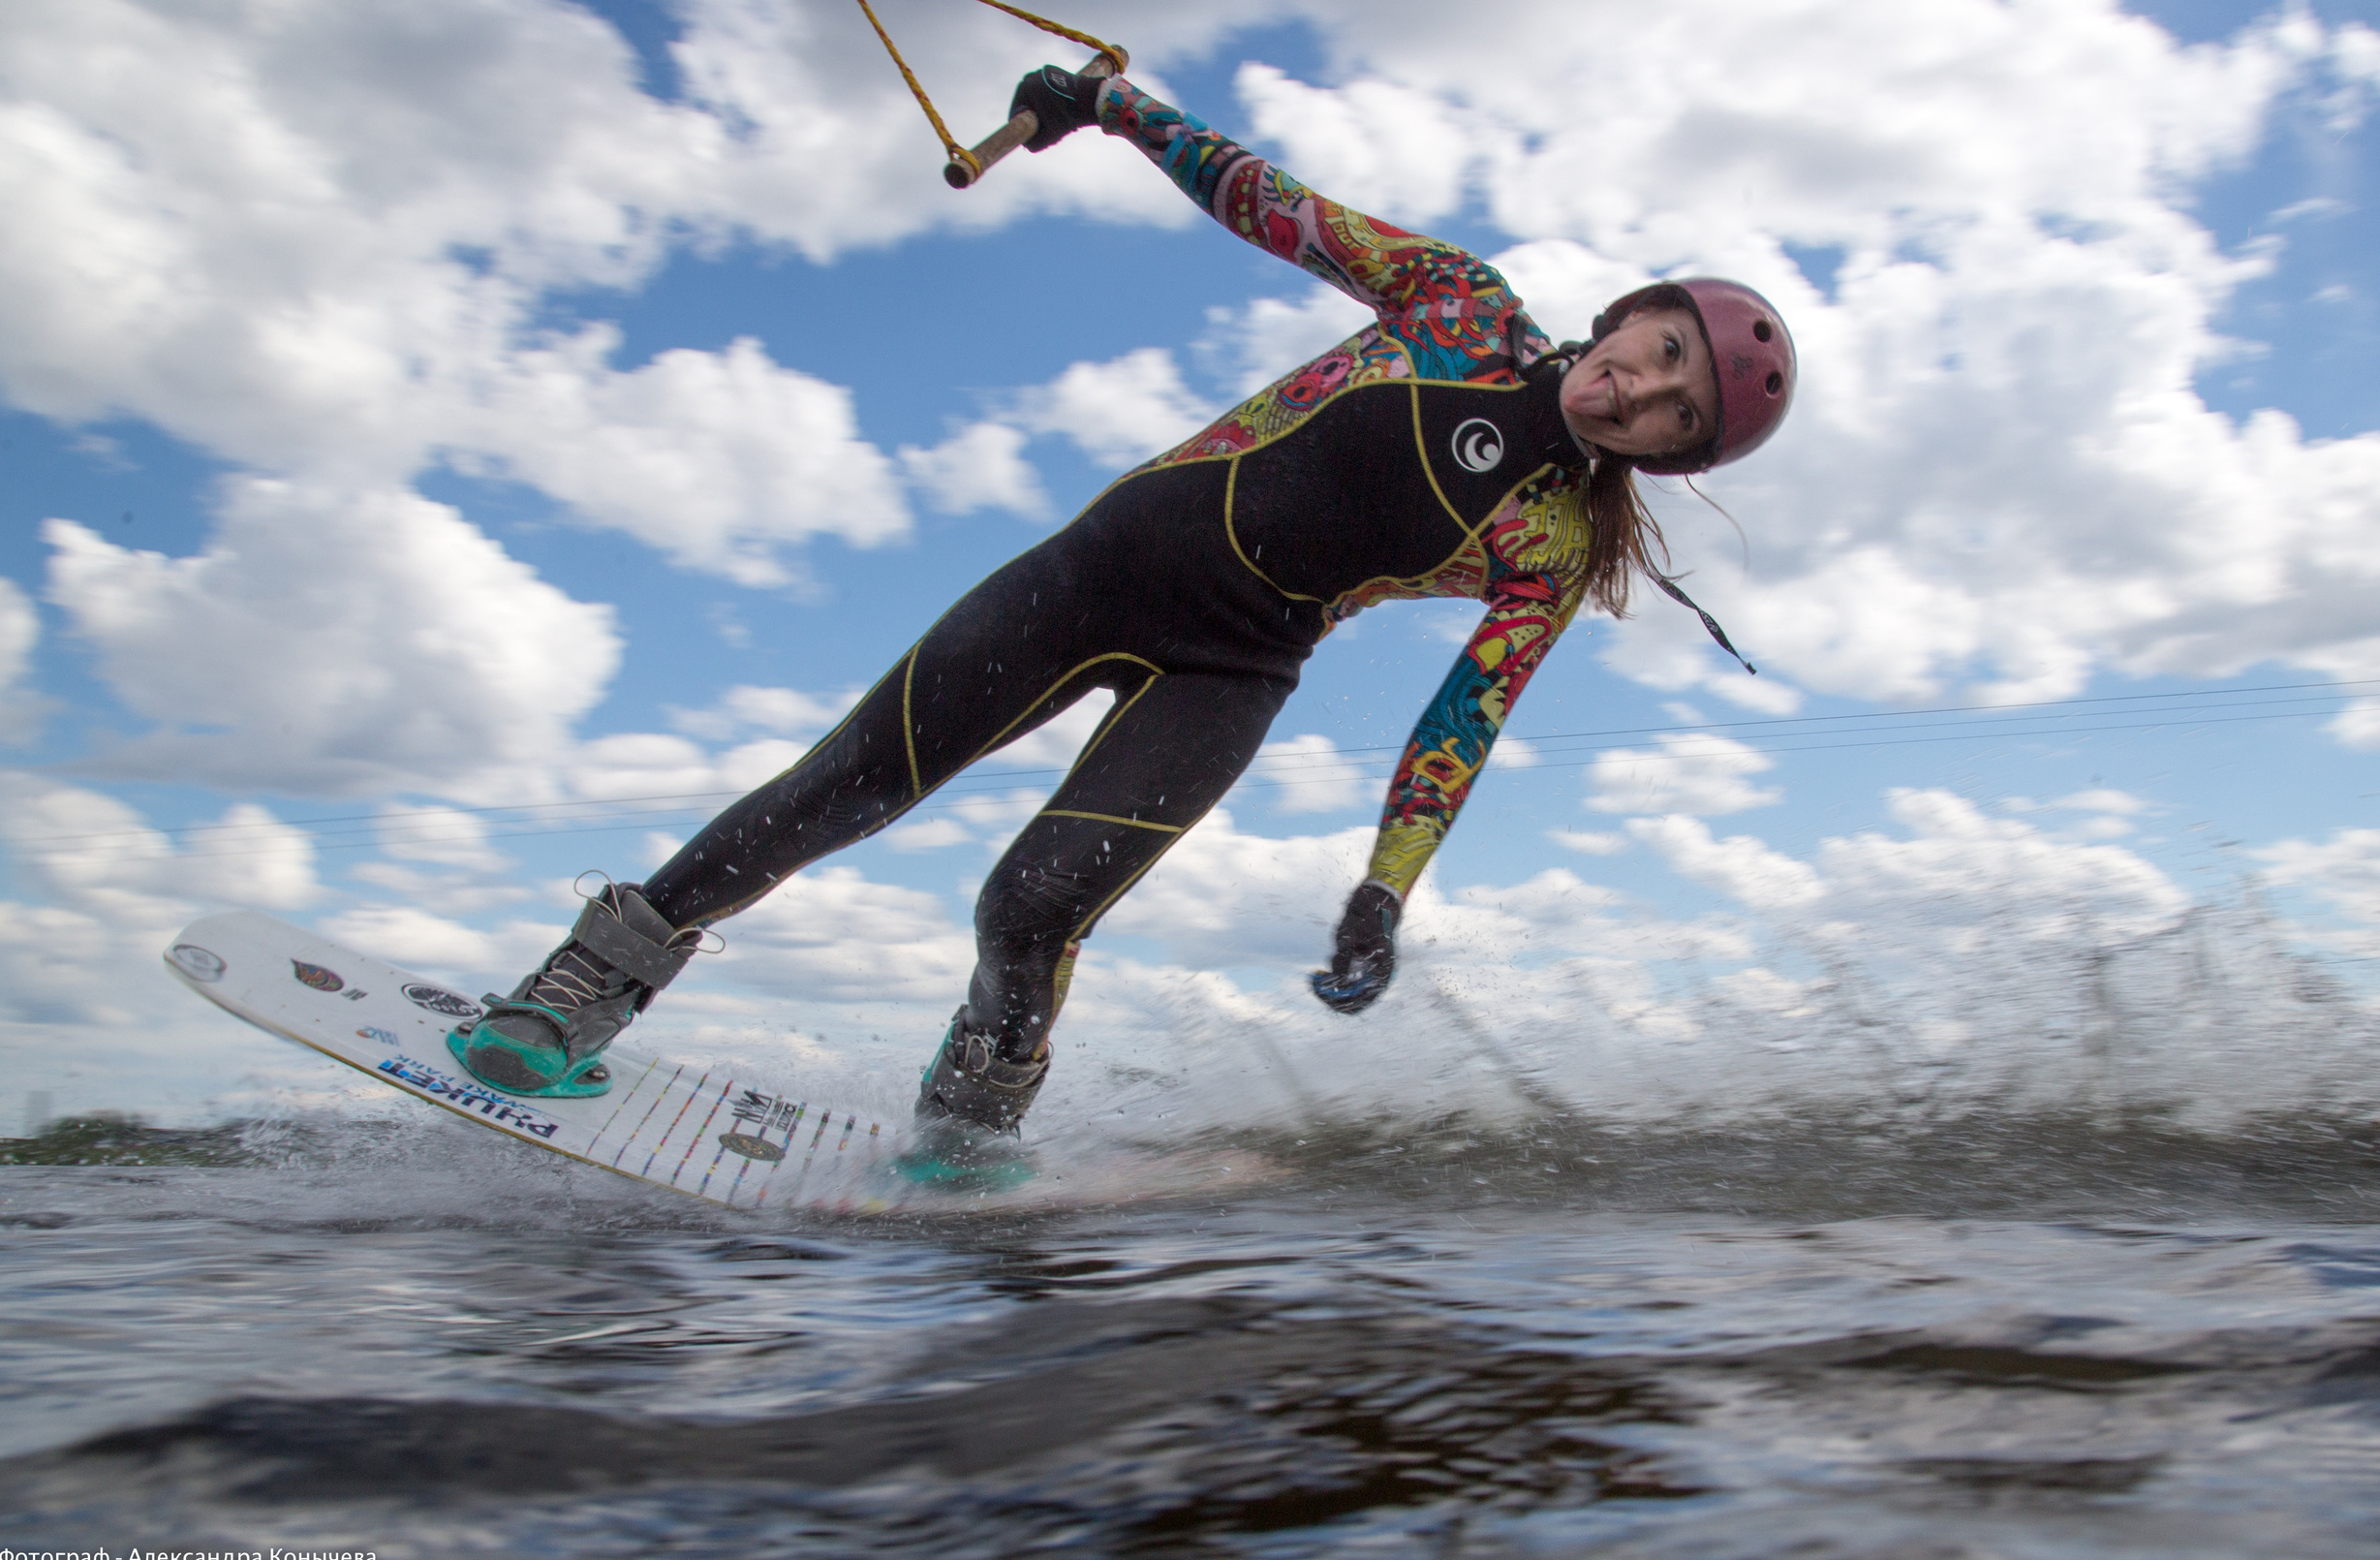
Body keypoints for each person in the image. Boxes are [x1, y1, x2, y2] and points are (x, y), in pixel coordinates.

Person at [446, 65, 1796, 1168]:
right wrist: (1114, 110)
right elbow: (1273, 205)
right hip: (1089, 574)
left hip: (1231, 668)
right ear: (1631, 314)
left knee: (1026, 911)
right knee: (838, 792)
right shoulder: (1456, 303)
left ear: (1670, 455)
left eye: (1677, 415)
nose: (1640, 392)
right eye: (1660, 354)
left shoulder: (1552, 542)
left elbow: (1467, 718)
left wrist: (1385, 890)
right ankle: (583, 989)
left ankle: (971, 1122)